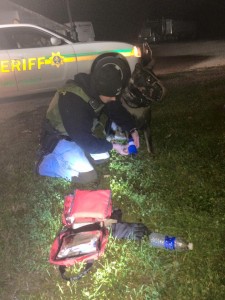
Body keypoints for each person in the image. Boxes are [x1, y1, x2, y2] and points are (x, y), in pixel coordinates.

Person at [36, 64, 139, 184]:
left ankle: (82, 154)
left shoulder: (101, 89)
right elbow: (86, 141)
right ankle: (44, 165)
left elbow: (116, 110)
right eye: (111, 96)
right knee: (88, 177)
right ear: (100, 91)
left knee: (103, 156)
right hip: (60, 136)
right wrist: (114, 146)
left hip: (79, 131)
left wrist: (133, 129)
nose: (114, 99)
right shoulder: (73, 101)